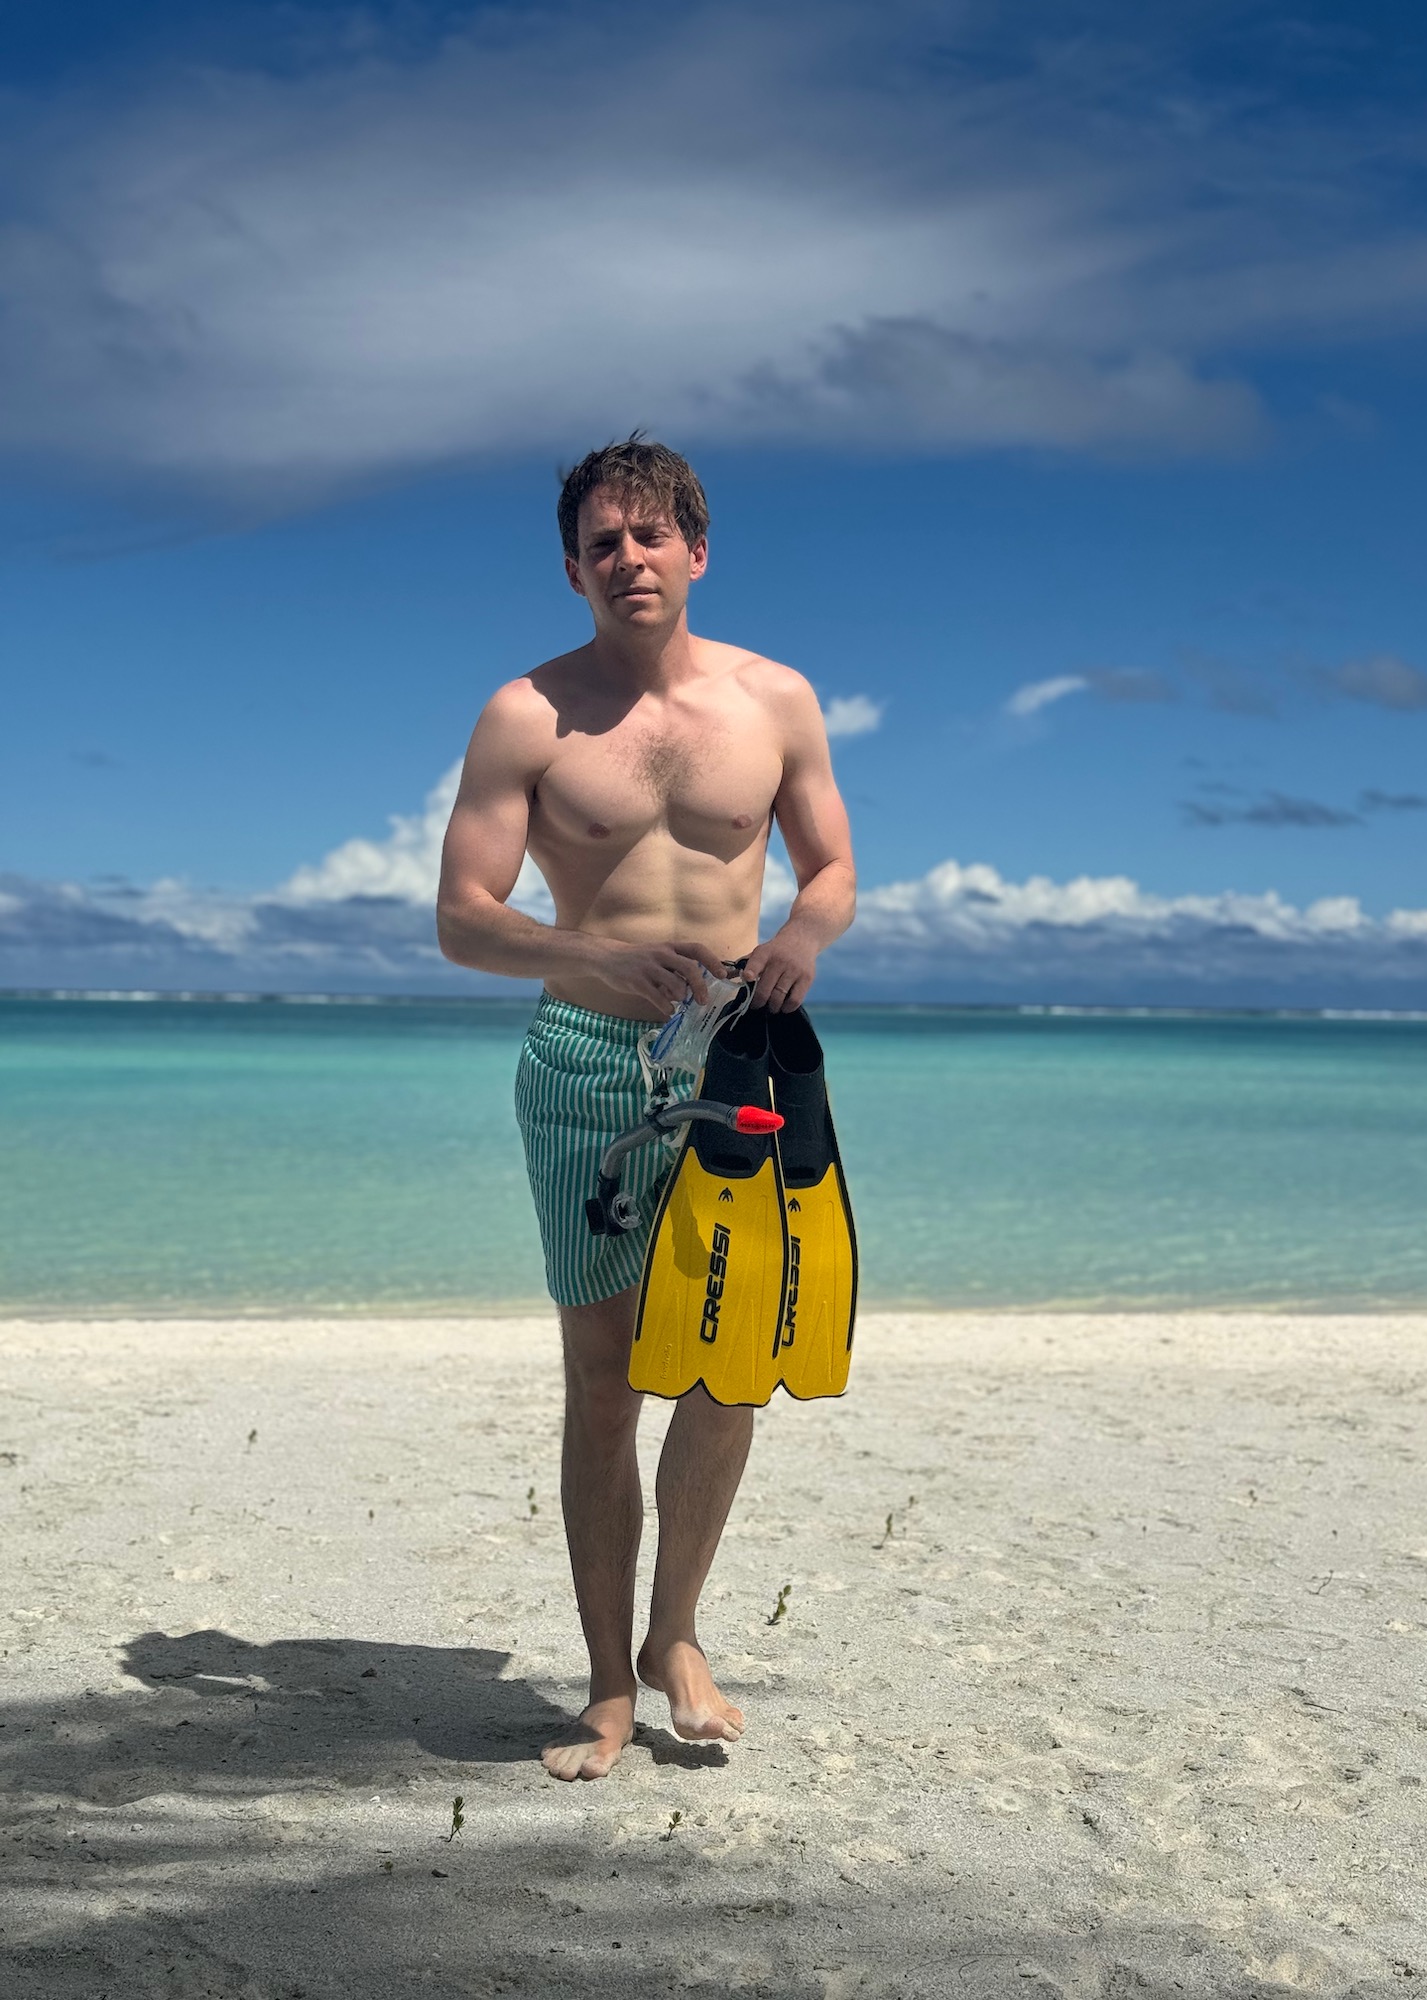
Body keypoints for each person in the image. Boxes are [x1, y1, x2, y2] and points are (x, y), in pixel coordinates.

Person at [436, 436, 856, 1781]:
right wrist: (586, 956)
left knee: (729, 1365)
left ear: (697, 550)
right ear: (574, 568)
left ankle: (680, 1635)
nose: (628, 559)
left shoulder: (776, 699)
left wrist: (802, 938)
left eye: (650, 535)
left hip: (732, 1065)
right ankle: (607, 1686)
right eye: (602, 543)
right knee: (604, 1379)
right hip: (587, 1066)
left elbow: (836, 866)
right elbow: (463, 918)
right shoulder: (527, 715)